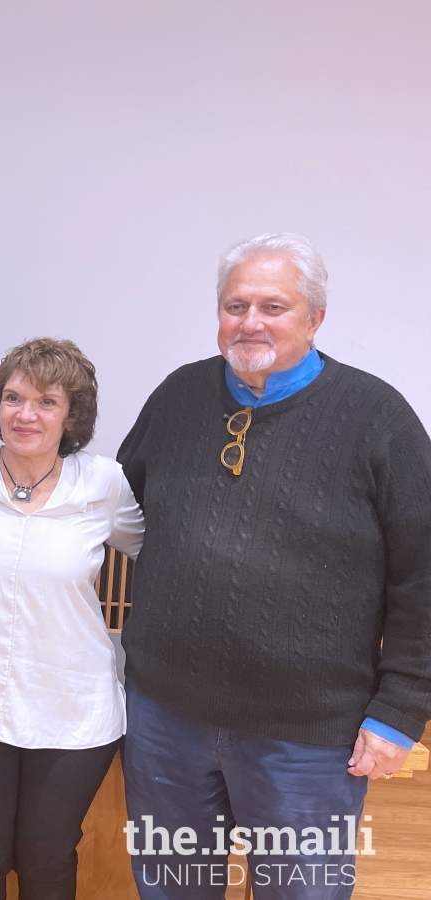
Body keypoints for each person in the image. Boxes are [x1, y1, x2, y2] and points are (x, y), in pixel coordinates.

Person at [117, 233, 431, 900]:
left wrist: (400, 710)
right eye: (236, 305)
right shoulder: (179, 396)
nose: (250, 322)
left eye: (273, 306)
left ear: (315, 318)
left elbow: (422, 578)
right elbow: (117, 508)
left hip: (306, 742)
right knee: (171, 890)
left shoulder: (379, 421)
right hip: (166, 722)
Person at [0, 339, 143, 900]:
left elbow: (167, 555)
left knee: (46, 858)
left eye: (47, 401)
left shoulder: (104, 485)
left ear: (73, 415)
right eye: (13, 398)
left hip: (72, 708)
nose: (25, 414)